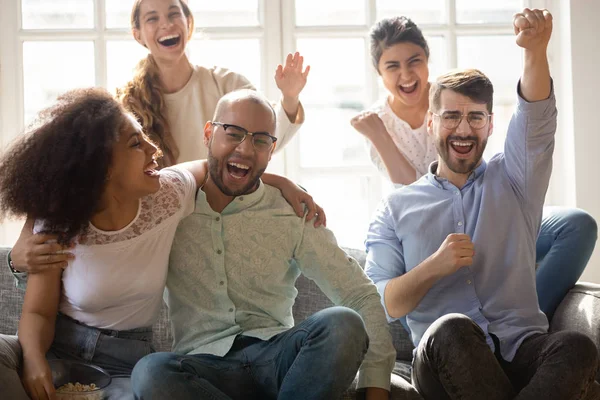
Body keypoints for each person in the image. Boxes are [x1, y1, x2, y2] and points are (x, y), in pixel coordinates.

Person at [0, 88, 323, 400]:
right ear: (102, 165)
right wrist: (33, 361)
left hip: (125, 365)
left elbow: (221, 168)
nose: (153, 149)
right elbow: (39, 313)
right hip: (56, 345)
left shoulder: (168, 195)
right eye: (136, 143)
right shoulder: (61, 220)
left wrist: (282, 182)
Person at [365, 9, 599, 400]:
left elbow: (537, 118)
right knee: (451, 327)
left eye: (476, 118)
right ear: (430, 123)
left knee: (577, 345)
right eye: (452, 116)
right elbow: (385, 302)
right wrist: (433, 267)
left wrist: (535, 50)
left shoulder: (514, 181)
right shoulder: (395, 208)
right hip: (443, 358)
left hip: (520, 349)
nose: (463, 129)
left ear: (491, 125)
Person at [130, 89, 396, 400]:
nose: (244, 149)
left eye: (260, 140)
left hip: (280, 361)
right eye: (233, 134)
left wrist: (376, 387)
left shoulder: (291, 211)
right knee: (150, 372)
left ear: (271, 151)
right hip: (201, 369)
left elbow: (359, 294)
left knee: (343, 324)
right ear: (208, 134)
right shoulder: (170, 209)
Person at [117, 0, 309, 166]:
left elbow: (265, 140)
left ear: (188, 22)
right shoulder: (128, 102)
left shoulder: (228, 84)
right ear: (138, 34)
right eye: (152, 18)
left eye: (173, 14)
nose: (166, 24)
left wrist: (290, 97)